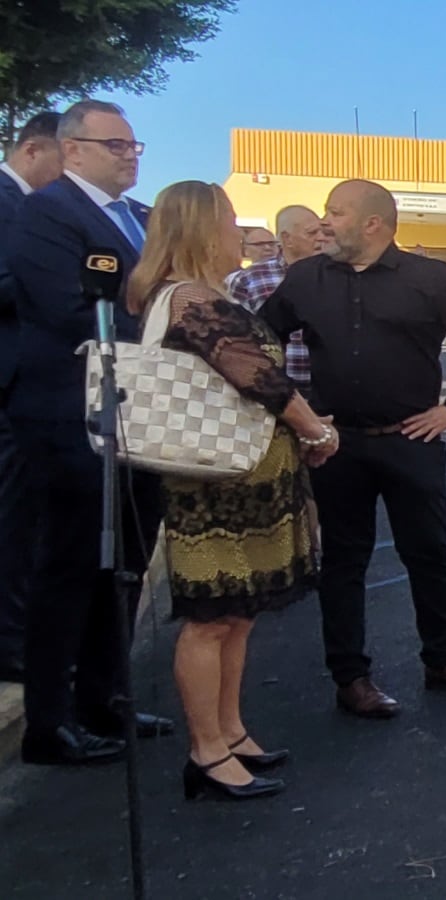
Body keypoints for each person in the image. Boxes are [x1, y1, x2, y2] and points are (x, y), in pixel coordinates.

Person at [260, 179, 446, 719]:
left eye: (336, 212)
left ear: (373, 223)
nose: (325, 223)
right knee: (344, 562)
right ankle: (351, 678)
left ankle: (444, 661)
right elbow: (258, 340)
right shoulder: (305, 279)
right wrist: (296, 410)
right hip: (336, 444)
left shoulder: (430, 279)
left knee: (429, 554)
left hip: (410, 443)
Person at [128, 182, 331, 800]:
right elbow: (256, 374)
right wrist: (315, 428)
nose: (239, 235)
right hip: (215, 483)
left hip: (246, 475)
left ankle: (232, 731)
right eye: (228, 223)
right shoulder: (188, 298)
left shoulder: (203, 294)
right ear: (199, 229)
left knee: (237, 615)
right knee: (211, 619)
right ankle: (207, 752)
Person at [4, 99, 171, 764]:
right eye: (115, 146)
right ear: (72, 150)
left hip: (140, 414)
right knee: (71, 565)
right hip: (72, 416)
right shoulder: (47, 213)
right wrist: (160, 336)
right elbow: (70, 310)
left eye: (134, 147)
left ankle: (108, 697)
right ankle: (52, 718)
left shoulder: (138, 218)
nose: (130, 157)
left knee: (126, 565)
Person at [0, 110, 64, 683]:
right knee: (12, 519)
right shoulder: (10, 204)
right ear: (35, 151)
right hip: (12, 383)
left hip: (33, 388)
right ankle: (10, 643)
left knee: (28, 518)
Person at [227, 206, 321, 396]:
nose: (320, 238)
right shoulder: (249, 278)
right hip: (277, 391)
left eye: (322, 231)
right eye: (312, 232)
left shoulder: (334, 274)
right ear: (287, 239)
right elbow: (236, 338)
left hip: (326, 391)